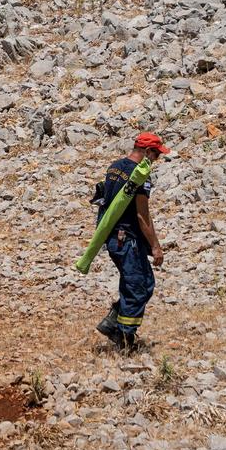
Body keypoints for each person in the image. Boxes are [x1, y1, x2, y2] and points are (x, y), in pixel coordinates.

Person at [95, 132, 170, 352]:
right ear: (147, 152)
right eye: (156, 155)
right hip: (126, 239)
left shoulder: (115, 167)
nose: (156, 160)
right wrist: (155, 246)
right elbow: (142, 215)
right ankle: (123, 338)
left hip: (112, 238)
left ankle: (114, 322)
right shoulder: (139, 175)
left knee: (142, 284)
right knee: (138, 287)